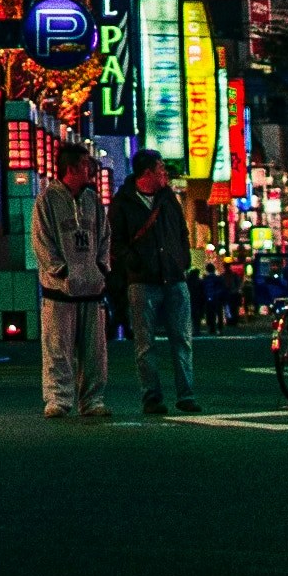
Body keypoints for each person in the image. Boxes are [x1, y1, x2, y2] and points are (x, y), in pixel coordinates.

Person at [31, 138, 113, 419]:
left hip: (91, 287)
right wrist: (60, 271)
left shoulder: (92, 201)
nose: (90, 169)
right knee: (57, 349)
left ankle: (92, 400)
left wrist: (101, 267)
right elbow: (42, 241)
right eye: (85, 165)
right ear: (71, 168)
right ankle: (58, 398)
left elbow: (105, 237)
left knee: (94, 352)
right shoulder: (47, 200)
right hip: (60, 289)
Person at [116, 150, 202, 415]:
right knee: (145, 343)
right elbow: (116, 243)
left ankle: (186, 395)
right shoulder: (123, 202)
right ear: (147, 173)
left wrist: (182, 260)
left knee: (182, 339)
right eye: (160, 169)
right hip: (142, 281)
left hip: (174, 278)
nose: (165, 173)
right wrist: (134, 264)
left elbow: (181, 231)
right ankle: (151, 397)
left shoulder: (168, 199)